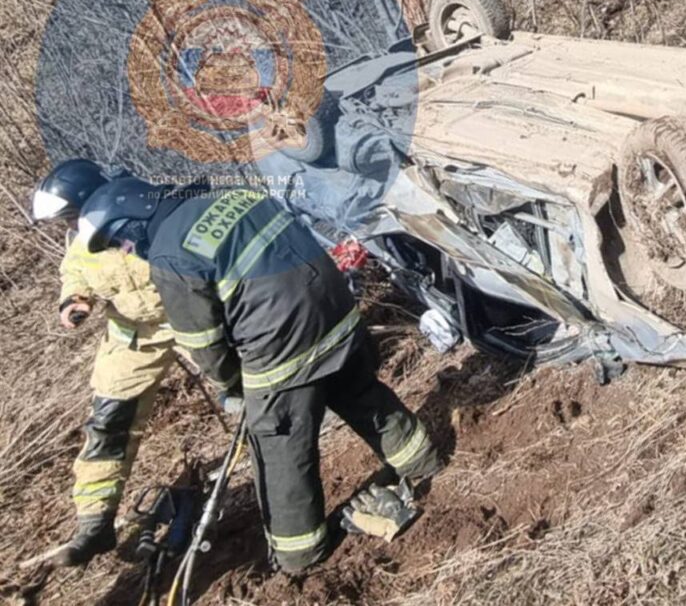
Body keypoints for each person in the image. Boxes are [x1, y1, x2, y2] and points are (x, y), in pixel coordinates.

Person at [77, 175, 440, 573]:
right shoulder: (227, 194)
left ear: (133, 219)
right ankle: (422, 462)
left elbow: (205, 343)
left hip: (281, 345)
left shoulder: (168, 253)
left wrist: (234, 388)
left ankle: (300, 553)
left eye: (121, 241)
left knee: (278, 448)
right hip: (334, 308)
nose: (127, 250)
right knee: (358, 391)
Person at [31, 160, 186, 567]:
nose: (67, 224)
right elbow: (75, 272)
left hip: (189, 315)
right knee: (108, 425)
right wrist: (74, 301)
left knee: (248, 389)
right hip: (134, 335)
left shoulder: (143, 206)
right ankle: (95, 524)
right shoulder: (79, 238)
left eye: (68, 215)